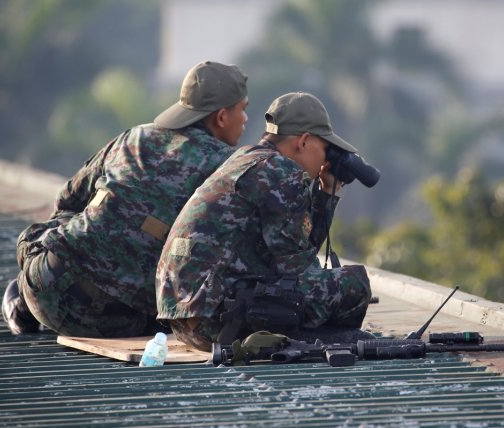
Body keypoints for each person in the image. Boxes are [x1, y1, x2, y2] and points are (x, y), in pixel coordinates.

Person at [1, 60, 249, 338]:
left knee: (50, 229)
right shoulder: (229, 168)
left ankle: (20, 302)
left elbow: (69, 199)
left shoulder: (135, 137)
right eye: (243, 109)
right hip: (123, 319)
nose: (246, 119)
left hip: (45, 290)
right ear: (222, 117)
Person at [155, 91, 372, 351]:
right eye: (325, 149)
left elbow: (294, 249)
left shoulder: (243, 159)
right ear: (304, 141)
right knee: (354, 285)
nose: (325, 161)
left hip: (185, 321)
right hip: (219, 321)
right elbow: (298, 266)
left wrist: (327, 191)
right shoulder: (282, 172)